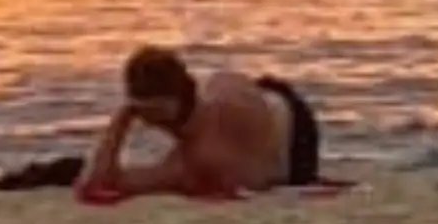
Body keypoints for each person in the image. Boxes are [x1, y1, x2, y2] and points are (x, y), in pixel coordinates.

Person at [84, 45, 325, 198]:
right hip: (269, 100)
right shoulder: (208, 109)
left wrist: (121, 120)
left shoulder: (198, 158)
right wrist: (125, 115)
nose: (146, 121)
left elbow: (101, 183)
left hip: (295, 145)